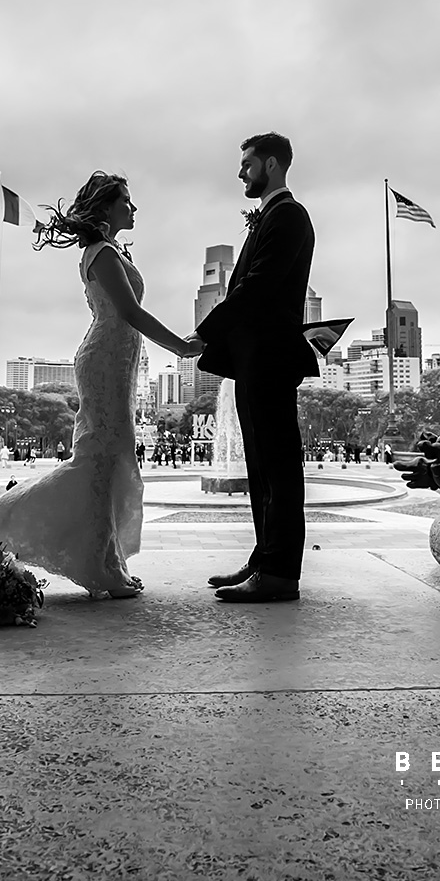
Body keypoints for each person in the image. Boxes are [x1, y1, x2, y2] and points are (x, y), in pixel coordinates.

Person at [0, 171, 202, 599]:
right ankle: (78, 555)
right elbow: (131, 313)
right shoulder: (102, 253)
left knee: (109, 459)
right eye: (127, 202)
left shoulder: (108, 251)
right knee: (99, 460)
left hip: (116, 361)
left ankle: (108, 561)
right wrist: (181, 348)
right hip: (105, 361)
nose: (133, 209)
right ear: (107, 207)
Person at [188, 132, 317, 603]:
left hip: (270, 357)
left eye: (247, 163)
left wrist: (205, 331)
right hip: (254, 359)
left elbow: (258, 287)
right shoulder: (270, 217)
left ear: (273, 164)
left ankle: (280, 572)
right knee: (260, 463)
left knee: (278, 464)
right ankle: (265, 558)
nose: (241, 172)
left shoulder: (289, 216)